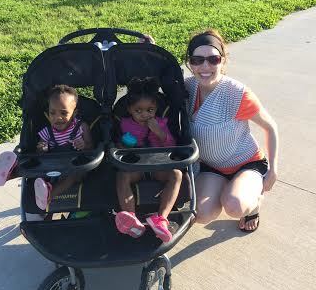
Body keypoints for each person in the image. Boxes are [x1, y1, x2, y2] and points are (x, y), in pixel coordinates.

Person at [184, 29, 278, 232]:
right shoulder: (187, 88)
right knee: (201, 214)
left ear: (223, 60)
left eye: (213, 59)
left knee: (235, 206)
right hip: (211, 166)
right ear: (190, 63)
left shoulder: (237, 93)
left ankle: (253, 205)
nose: (205, 66)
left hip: (247, 163)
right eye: (197, 60)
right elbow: (159, 80)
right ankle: (233, 189)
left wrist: (273, 170)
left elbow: (270, 127)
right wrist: (149, 49)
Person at [0, 84, 93, 211]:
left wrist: (84, 145)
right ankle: (9, 174)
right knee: (35, 169)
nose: (58, 117)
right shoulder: (47, 132)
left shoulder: (81, 128)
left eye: (64, 113)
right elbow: (39, 152)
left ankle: (48, 195)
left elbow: (91, 148)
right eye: (53, 113)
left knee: (72, 177)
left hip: (75, 167)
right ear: (48, 114)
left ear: (74, 113)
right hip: (53, 166)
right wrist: (42, 148)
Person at [115, 77, 183, 242]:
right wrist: (124, 145)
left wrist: (159, 132)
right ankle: (131, 218)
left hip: (158, 163)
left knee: (177, 174)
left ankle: (161, 219)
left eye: (150, 110)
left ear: (156, 109)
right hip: (135, 165)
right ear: (130, 110)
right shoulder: (124, 123)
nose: (145, 115)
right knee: (122, 176)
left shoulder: (161, 122)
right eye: (138, 111)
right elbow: (116, 144)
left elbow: (172, 145)